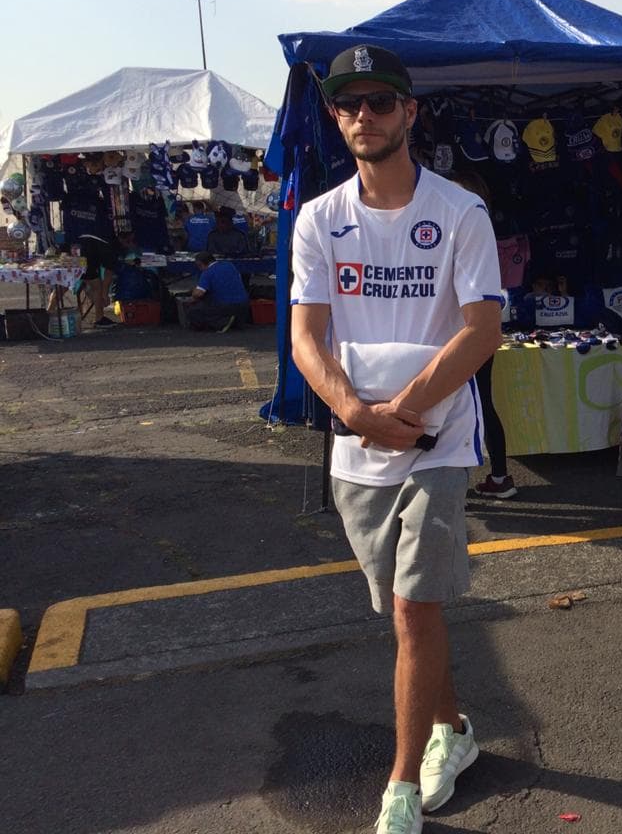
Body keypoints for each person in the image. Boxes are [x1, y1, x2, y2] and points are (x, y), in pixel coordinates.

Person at [289, 44, 501, 834]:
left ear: (411, 112)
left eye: (380, 103)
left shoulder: (459, 212)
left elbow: (482, 329)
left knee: (414, 612)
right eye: (349, 105)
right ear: (338, 118)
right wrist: (357, 414)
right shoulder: (319, 219)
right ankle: (457, 729)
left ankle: (402, 787)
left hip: (439, 443)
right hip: (360, 448)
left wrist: (404, 408)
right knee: (410, 613)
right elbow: (306, 337)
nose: (364, 117)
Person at [449, 169, 516, 500]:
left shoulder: (466, 229)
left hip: (468, 332)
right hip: (473, 329)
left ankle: (468, 484)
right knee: (477, 404)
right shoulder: (476, 226)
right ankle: (499, 477)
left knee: (464, 408)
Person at [75, 230, 127, 327]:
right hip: (86, 262)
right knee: (97, 287)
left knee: (93, 285)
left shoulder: (106, 242)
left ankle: (50, 309)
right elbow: (109, 272)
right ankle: (99, 318)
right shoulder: (111, 248)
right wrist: (105, 294)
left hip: (82, 257)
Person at [188, 251, 251, 331]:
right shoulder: (229, 265)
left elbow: (198, 294)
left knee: (194, 312)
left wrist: (192, 295)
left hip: (225, 305)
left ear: (201, 264)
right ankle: (236, 320)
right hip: (243, 304)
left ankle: (222, 322)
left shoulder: (207, 272)